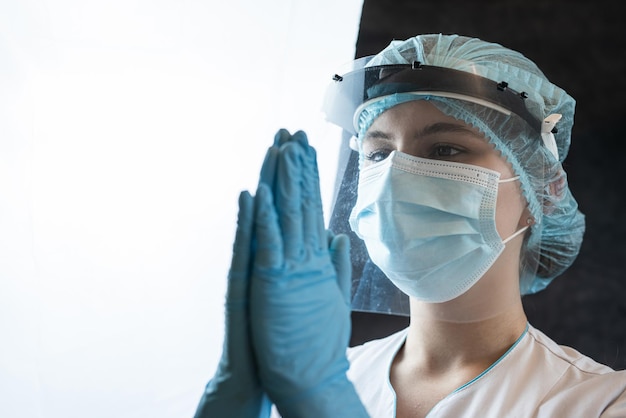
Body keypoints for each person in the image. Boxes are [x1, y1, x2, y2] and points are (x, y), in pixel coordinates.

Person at [194, 34, 626, 417]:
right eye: (378, 153)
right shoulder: (320, 373)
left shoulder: (597, 402)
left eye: (445, 149)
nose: (396, 178)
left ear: (542, 191)